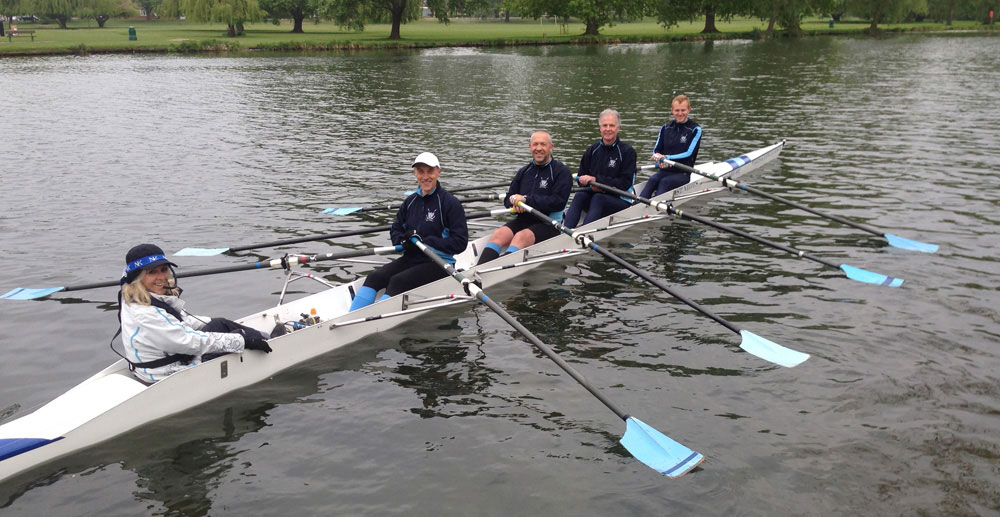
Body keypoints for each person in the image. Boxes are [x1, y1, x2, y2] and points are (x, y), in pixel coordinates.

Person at [117, 243, 271, 383]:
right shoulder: (145, 313)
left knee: (219, 323)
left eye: (164, 270)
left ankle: (267, 338)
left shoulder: (136, 295)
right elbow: (188, 342)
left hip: (162, 361)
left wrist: (214, 325)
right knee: (237, 336)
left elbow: (182, 323)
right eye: (152, 272)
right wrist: (242, 340)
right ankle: (270, 343)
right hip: (165, 375)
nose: (162, 277)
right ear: (138, 277)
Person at [348, 152, 469, 311]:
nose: (425, 177)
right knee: (374, 277)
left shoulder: (450, 203)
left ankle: (371, 318)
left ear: (438, 172)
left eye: (430, 171)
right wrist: (403, 242)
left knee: (398, 281)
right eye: (420, 171)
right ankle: (351, 316)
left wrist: (425, 241)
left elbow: (460, 242)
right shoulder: (410, 202)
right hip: (412, 258)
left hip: (439, 263)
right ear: (415, 173)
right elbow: (396, 228)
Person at [476, 130, 572, 265]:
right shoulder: (524, 171)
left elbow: (558, 202)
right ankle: (479, 268)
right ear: (530, 147)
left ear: (551, 147)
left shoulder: (561, 172)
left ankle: (499, 269)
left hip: (548, 224)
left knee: (521, 236)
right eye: (535, 144)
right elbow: (508, 198)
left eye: (543, 144)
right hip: (523, 220)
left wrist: (526, 200)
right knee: (498, 234)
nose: (538, 148)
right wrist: (514, 203)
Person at [563, 109, 637, 228]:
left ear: (618, 128)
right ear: (600, 128)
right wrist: (588, 183)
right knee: (580, 195)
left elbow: (625, 183)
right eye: (604, 125)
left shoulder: (627, 152)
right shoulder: (592, 150)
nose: (608, 129)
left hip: (621, 200)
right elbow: (581, 177)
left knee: (599, 198)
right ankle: (565, 231)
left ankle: (584, 233)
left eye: (611, 125)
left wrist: (598, 182)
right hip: (596, 196)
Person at [641, 94, 702, 199]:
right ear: (672, 111)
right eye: (677, 110)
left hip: (682, 173)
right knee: (652, 180)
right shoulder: (665, 128)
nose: (680, 113)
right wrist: (657, 157)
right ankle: (637, 204)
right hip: (664, 170)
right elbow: (656, 150)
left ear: (689, 110)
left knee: (665, 182)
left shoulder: (695, 129)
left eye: (683, 110)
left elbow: (689, 154)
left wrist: (667, 158)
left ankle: (656, 204)